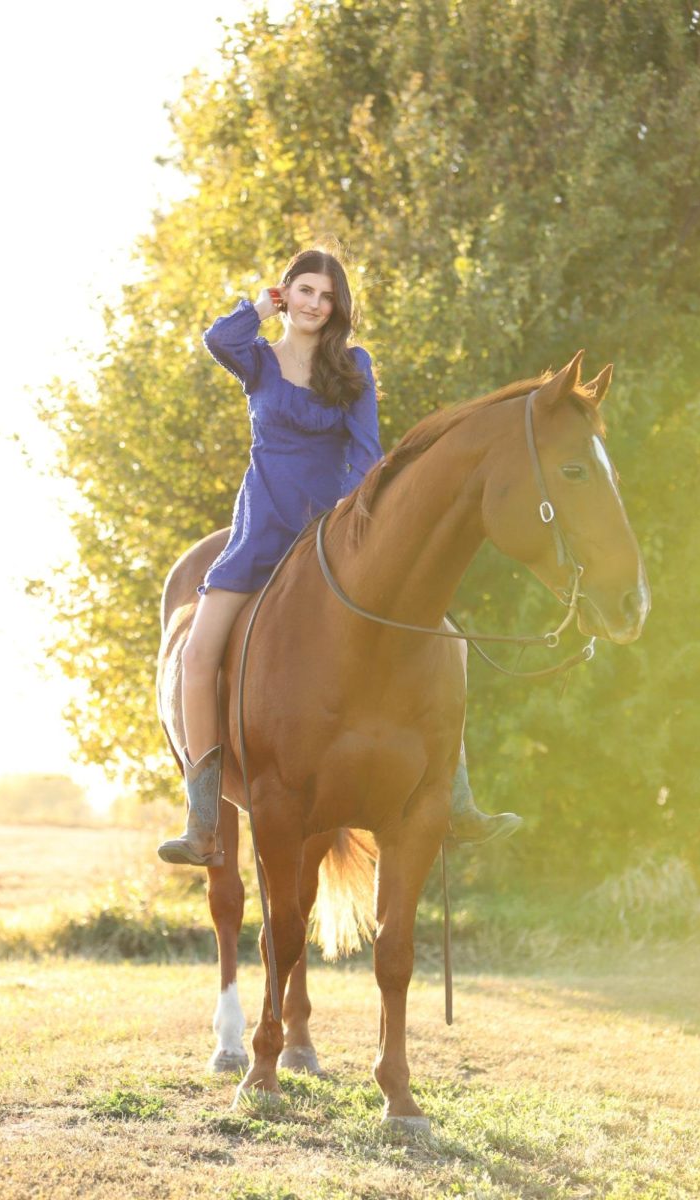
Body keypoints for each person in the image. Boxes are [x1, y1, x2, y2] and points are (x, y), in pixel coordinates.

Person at [158, 248, 520, 867]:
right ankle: (202, 815)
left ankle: (458, 799)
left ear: (337, 308)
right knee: (196, 654)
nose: (313, 305)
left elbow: (366, 449)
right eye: (303, 291)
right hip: (261, 530)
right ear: (288, 293)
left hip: (330, 531)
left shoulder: (352, 365)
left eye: (325, 297)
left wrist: (357, 522)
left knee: (450, 638)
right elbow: (218, 338)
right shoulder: (259, 361)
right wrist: (260, 303)